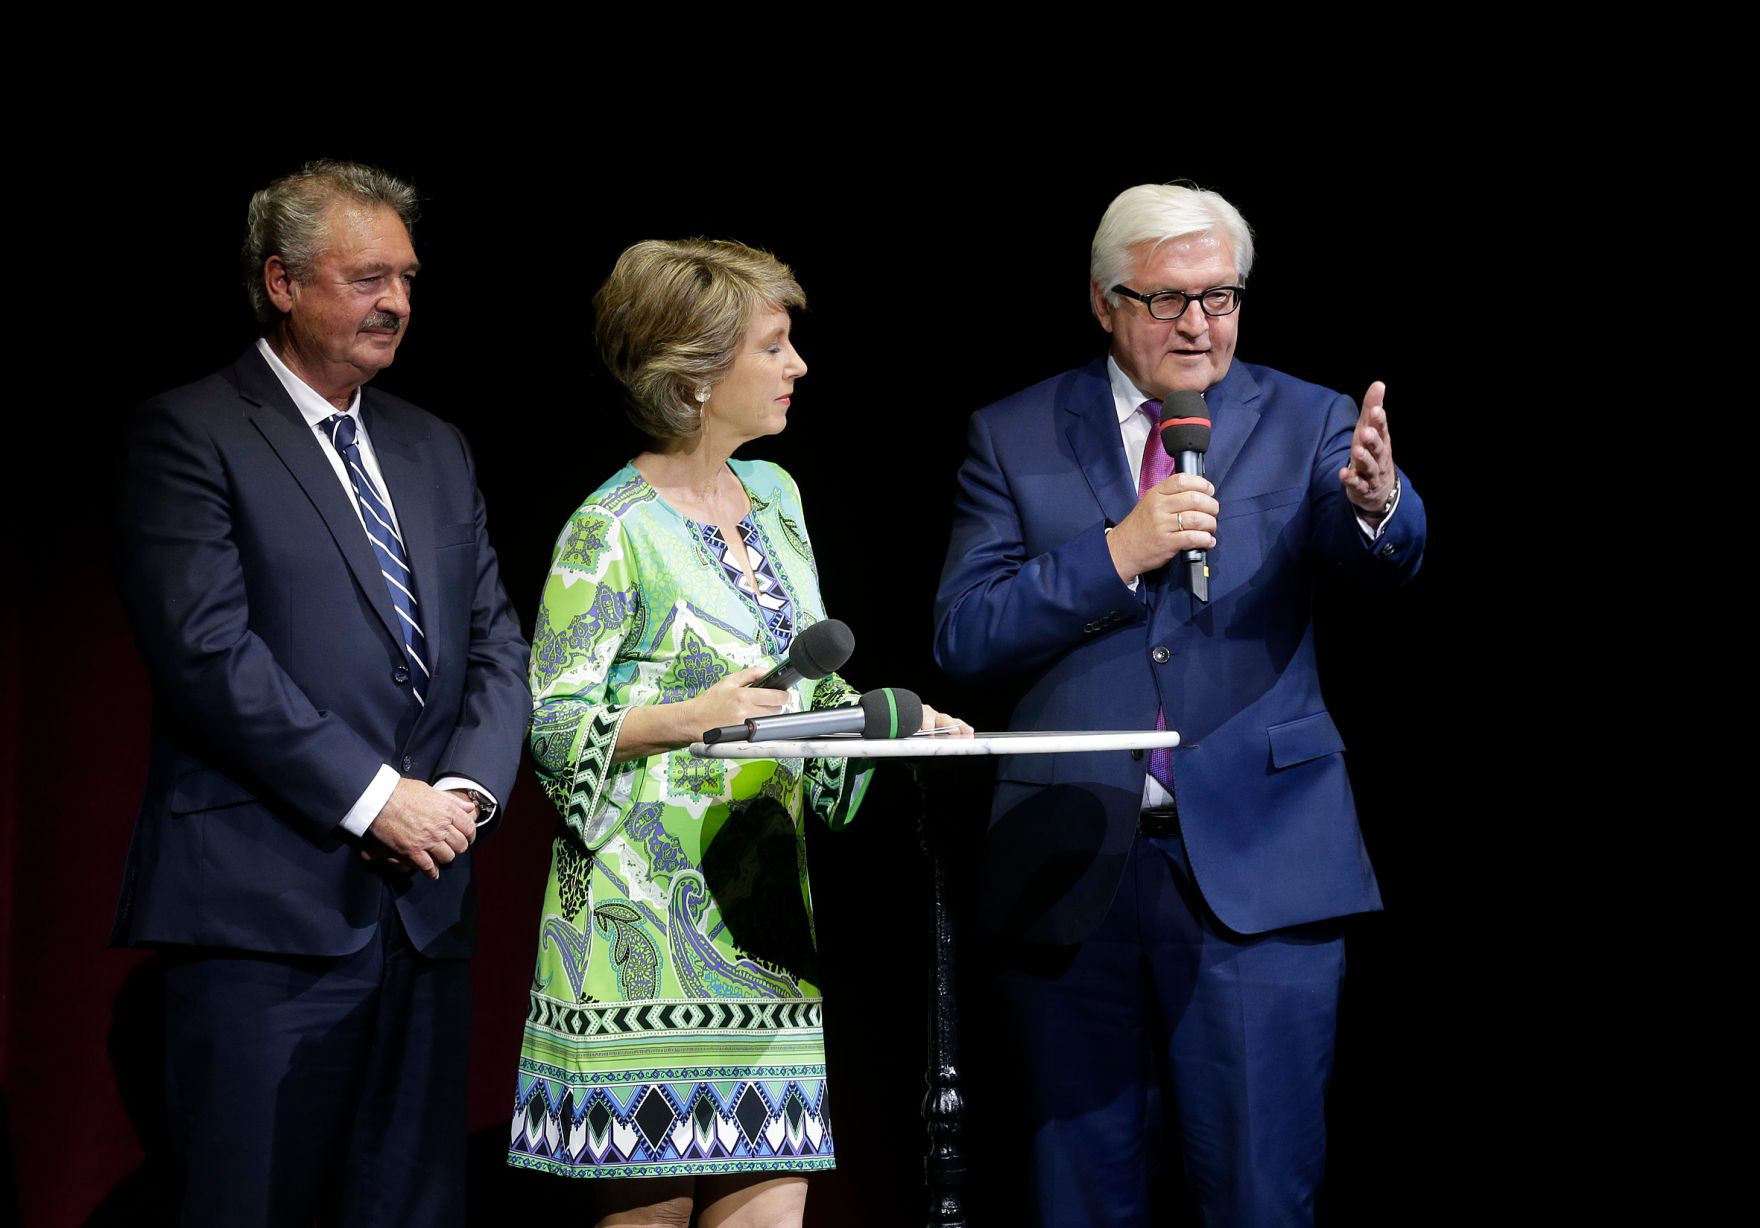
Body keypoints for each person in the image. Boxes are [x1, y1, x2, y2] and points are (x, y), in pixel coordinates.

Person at [933, 182, 1427, 1226]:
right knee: (1079, 1199)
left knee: (1258, 1193)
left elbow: (1369, 555)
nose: (1197, 324)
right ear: (1103, 301)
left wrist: (1381, 508)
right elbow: (964, 631)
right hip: (1071, 874)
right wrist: (1114, 553)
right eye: (1164, 299)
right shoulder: (1012, 431)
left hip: (1262, 869)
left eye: (1219, 296)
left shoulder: (1309, 418)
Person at [508, 238, 966, 1228]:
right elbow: (549, 723)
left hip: (760, 943)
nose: (796, 365)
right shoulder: (610, 527)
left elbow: (798, 680)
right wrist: (692, 714)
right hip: (636, 943)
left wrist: (888, 720)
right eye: (773, 345)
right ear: (692, 379)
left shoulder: (779, 499)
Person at [110, 159, 530, 1227]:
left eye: (406, 278)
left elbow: (495, 649)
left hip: (425, 911)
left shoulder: (435, 446)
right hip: (264, 915)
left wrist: (464, 800)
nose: (394, 302)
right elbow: (207, 652)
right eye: (365, 277)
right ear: (283, 282)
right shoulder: (190, 430)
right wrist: (375, 795)